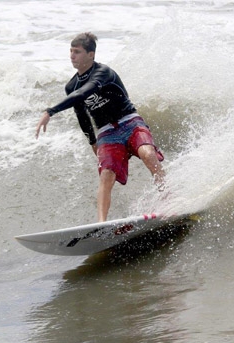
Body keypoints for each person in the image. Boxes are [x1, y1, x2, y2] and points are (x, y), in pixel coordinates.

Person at [35, 32, 165, 222]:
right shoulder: (71, 86)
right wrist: (92, 141)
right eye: (71, 51)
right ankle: (101, 223)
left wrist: (50, 111)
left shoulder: (103, 73)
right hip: (107, 132)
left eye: (77, 52)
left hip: (130, 122)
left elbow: (85, 92)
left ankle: (167, 198)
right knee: (106, 175)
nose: (72, 55)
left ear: (91, 55)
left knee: (147, 153)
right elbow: (82, 115)